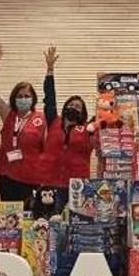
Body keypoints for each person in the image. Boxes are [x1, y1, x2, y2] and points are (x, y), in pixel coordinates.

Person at [0, 48, 50, 202]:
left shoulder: (41, 118)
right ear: (14, 99)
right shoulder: (8, 114)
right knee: (11, 219)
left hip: (32, 178)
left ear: (33, 99)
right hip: (8, 175)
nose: (23, 99)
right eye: (20, 96)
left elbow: (47, 150)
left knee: (30, 218)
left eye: (27, 96)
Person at [41, 46, 96, 202]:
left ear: (82, 113)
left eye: (78, 106)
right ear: (65, 108)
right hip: (51, 184)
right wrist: (50, 70)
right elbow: (49, 98)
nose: (73, 107)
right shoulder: (53, 121)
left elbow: (105, 116)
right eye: (71, 105)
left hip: (77, 187)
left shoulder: (88, 129)